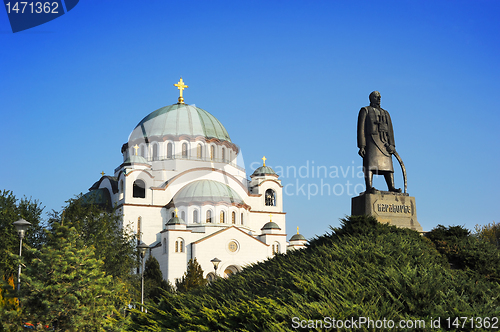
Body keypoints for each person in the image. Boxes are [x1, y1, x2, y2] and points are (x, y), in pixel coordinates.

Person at [357, 91, 401, 193]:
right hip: (371, 142)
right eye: (376, 97)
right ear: (371, 98)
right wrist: (362, 146)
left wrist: (392, 145)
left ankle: (391, 187)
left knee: (388, 166)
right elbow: (361, 129)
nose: (379, 99)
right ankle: (369, 187)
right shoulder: (365, 110)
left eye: (380, 97)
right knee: (370, 164)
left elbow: (390, 130)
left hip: (384, 143)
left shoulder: (385, 113)